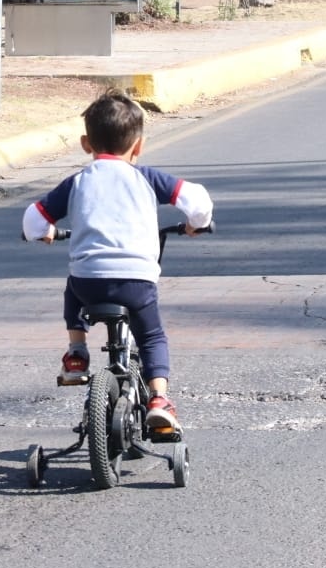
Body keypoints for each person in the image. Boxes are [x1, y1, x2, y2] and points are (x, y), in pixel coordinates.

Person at [21, 89, 213, 435]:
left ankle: (77, 353)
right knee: (152, 335)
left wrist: (45, 232)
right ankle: (159, 400)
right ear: (138, 146)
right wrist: (194, 225)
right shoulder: (147, 178)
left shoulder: (77, 182)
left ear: (85, 143)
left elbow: (33, 219)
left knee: (73, 289)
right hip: (136, 282)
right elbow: (197, 201)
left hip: (89, 281)